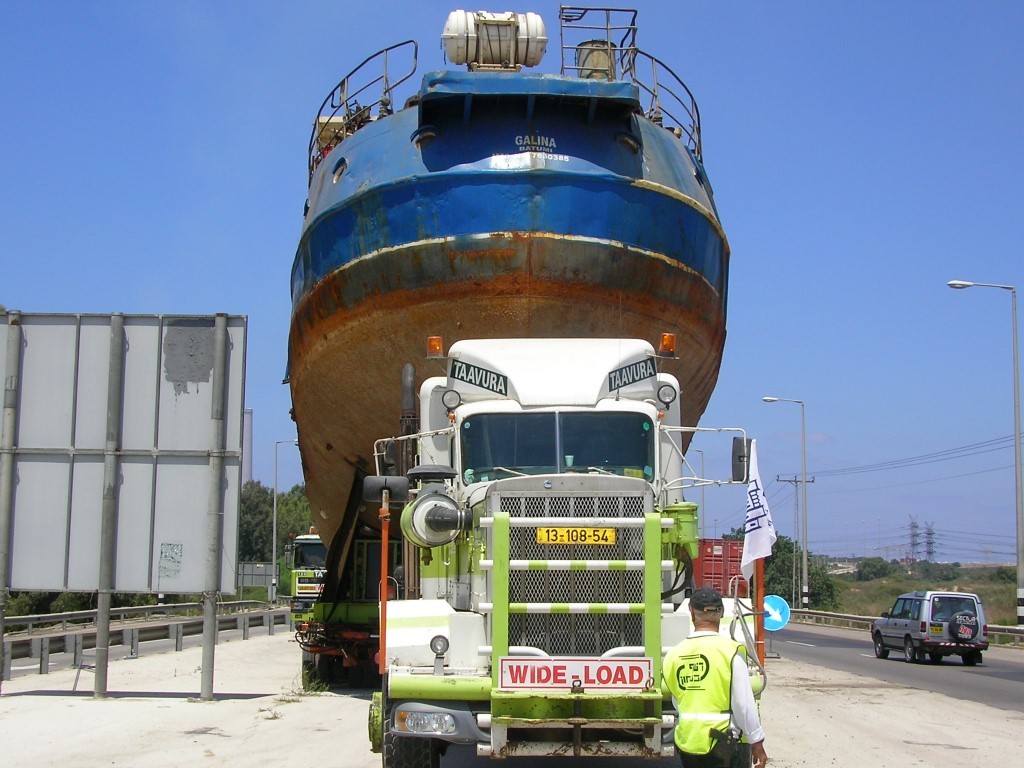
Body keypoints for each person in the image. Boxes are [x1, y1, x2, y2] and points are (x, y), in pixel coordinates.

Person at [662, 587, 768, 768]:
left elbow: (677, 700)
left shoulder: (674, 654)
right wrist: (756, 741)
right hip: (722, 743)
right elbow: (743, 704)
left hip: (688, 742)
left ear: (691, 612)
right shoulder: (731, 651)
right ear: (721, 612)